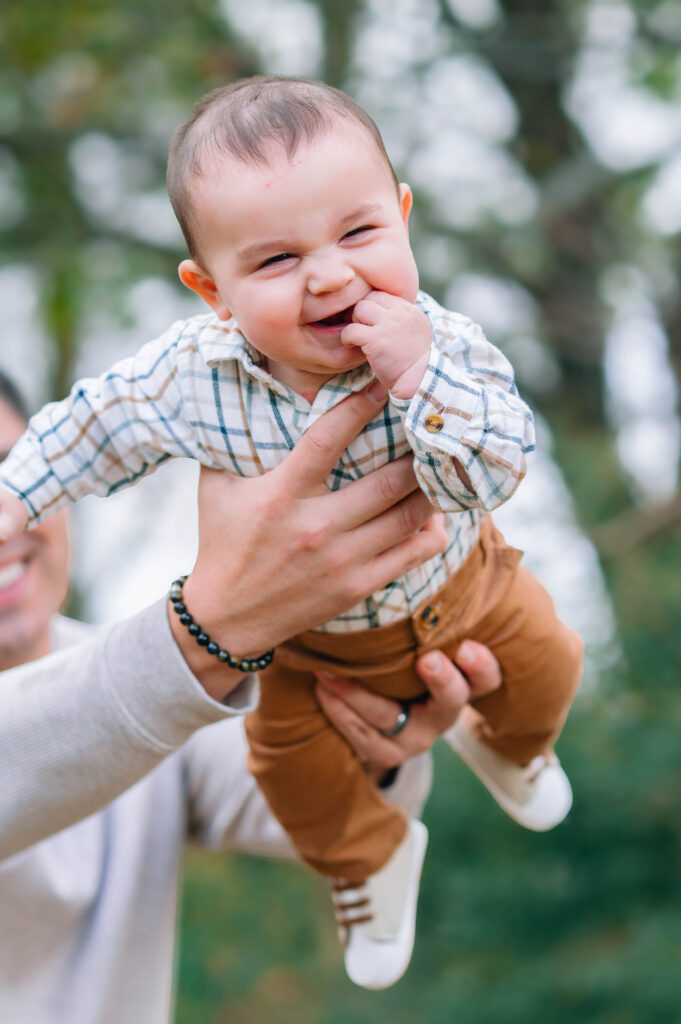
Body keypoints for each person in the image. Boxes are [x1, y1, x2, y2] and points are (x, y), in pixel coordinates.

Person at [0, 77, 583, 988]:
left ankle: (514, 745)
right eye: (275, 261)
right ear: (211, 289)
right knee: (298, 774)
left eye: (357, 235)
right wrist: (24, 495)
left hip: (464, 584)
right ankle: (374, 866)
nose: (329, 275)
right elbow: (102, 422)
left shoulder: (444, 345)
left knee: (545, 662)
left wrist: (422, 384)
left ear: (400, 215)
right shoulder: (198, 377)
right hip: (306, 649)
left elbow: (502, 461)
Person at [0, 370, 504, 1023]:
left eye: (12, 469)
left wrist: (378, 696)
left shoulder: (149, 695)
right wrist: (210, 628)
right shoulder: (155, 683)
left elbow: (296, 800)